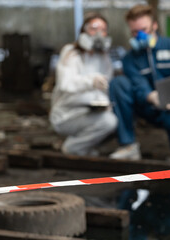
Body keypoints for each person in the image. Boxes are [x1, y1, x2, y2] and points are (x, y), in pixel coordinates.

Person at [109, 4, 170, 164]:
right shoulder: (130, 59)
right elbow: (138, 84)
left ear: (155, 25)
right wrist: (151, 96)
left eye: (144, 30)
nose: (140, 36)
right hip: (150, 106)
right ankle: (128, 145)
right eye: (134, 32)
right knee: (118, 83)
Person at [49, 12, 117, 156]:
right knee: (109, 122)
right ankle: (73, 148)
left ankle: (85, 146)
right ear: (83, 31)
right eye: (94, 29)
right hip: (67, 115)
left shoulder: (103, 58)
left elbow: (106, 86)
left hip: (92, 113)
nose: (98, 34)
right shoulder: (71, 53)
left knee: (119, 117)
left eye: (103, 30)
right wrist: (90, 81)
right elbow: (66, 84)